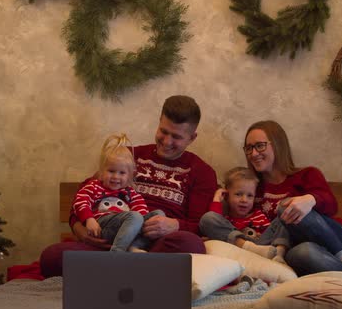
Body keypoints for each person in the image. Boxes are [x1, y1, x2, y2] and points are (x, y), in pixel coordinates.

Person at [39, 95, 217, 277]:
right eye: (163, 131)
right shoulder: (129, 155)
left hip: (155, 245)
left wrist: (174, 225)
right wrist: (79, 228)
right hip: (109, 237)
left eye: (176, 137)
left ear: (192, 137)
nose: (167, 141)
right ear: (158, 123)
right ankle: (133, 270)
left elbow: (200, 226)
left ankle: (114, 269)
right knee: (51, 257)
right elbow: (86, 192)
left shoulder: (202, 172)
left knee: (190, 244)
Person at [243, 120, 342, 276]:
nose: (254, 153)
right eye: (249, 148)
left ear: (278, 145)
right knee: (304, 252)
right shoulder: (249, 188)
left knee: (286, 206)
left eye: (260, 146)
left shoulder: (307, 175)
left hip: (339, 243)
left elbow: (332, 206)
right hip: (301, 252)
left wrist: (310, 199)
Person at [73, 133, 157, 252]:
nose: (116, 177)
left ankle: (134, 246)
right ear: (102, 171)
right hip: (102, 227)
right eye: (111, 171)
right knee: (135, 216)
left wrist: (140, 226)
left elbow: (141, 212)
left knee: (158, 215)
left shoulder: (130, 192)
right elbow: (80, 201)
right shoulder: (94, 186)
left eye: (122, 173)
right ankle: (116, 253)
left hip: (127, 230)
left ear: (129, 175)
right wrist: (88, 219)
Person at [199, 167, 290, 263]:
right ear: (226, 195)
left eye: (250, 196)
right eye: (238, 194)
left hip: (262, 247)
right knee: (208, 218)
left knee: (284, 214)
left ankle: (279, 254)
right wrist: (217, 199)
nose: (244, 200)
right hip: (239, 246)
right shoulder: (226, 221)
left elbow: (271, 235)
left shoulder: (259, 216)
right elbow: (213, 219)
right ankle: (249, 248)